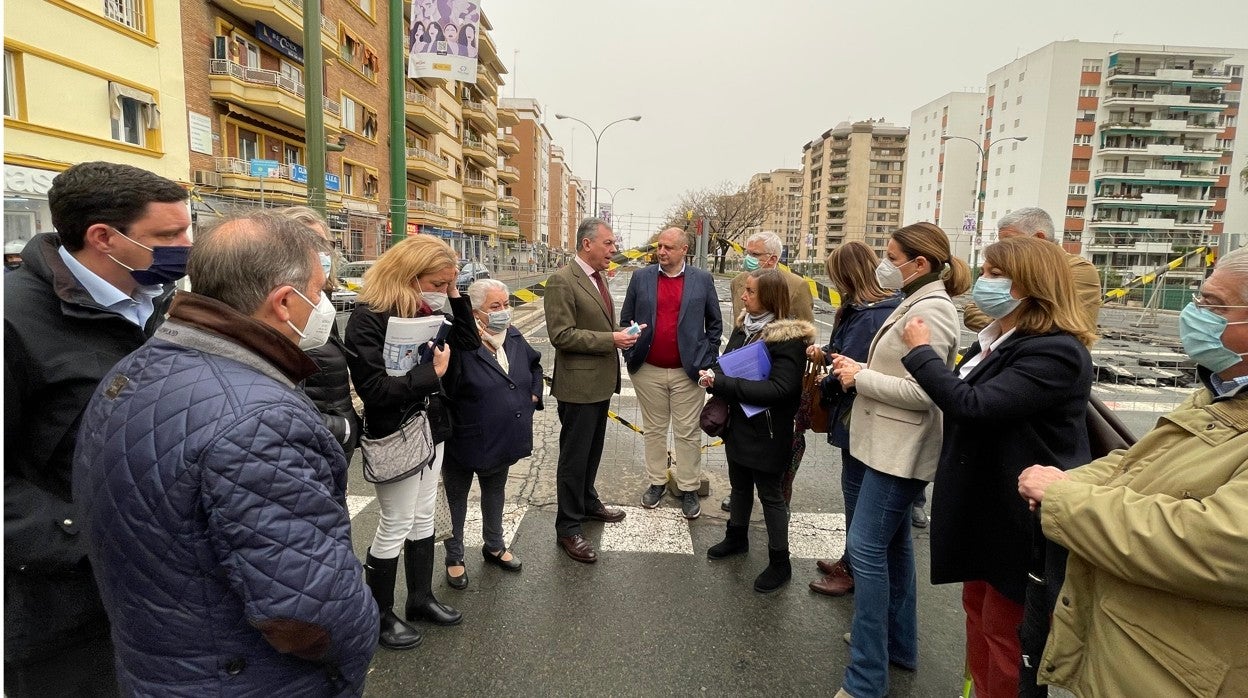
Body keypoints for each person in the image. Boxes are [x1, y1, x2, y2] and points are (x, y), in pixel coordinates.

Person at [71, 211, 378, 695]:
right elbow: (308, 613)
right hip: (246, 677)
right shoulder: (262, 420)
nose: (321, 305)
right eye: (317, 292)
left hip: (161, 664)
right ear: (283, 302)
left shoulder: (135, 368)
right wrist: (360, 636)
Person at [1018, 246, 1248, 697]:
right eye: (1201, 300)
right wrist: (1071, 482)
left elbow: (1219, 544)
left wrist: (1066, 500)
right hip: (1139, 656)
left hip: (1178, 674)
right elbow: (1136, 461)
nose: (1196, 313)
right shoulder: (1222, 391)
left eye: (1215, 306)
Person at [3, 161, 191, 697]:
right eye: (168, 235)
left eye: (187, 229)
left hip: (157, 591)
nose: (186, 246)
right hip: (60, 610)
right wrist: (89, 541)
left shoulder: (158, 305)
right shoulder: (12, 322)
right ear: (103, 238)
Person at [899, 237, 1095, 698]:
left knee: (1008, 640)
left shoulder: (1055, 351)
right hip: (985, 511)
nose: (979, 282)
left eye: (992, 273)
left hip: (1017, 525)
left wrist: (922, 352)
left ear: (1029, 285)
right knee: (980, 621)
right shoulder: (1000, 342)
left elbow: (973, 404)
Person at [830, 222, 969, 698]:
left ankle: (866, 678)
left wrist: (860, 379)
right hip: (885, 445)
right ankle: (898, 646)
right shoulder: (915, 301)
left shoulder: (933, 310)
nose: (883, 265)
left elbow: (926, 390)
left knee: (866, 552)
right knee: (893, 550)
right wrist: (862, 369)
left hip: (900, 451)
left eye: (891, 256)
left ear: (920, 264)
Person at [345, 235, 480, 649]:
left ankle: (420, 598)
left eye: (448, 284)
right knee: (395, 523)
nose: (442, 292)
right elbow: (375, 390)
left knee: (423, 516)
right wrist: (430, 375)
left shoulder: (427, 309)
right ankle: (381, 615)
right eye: (437, 283)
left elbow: (470, 343)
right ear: (408, 275)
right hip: (395, 432)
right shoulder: (368, 317)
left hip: (431, 426)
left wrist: (454, 293)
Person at [700, 269, 814, 593]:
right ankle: (736, 537)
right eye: (745, 291)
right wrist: (712, 375)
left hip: (768, 430)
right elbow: (727, 362)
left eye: (750, 291)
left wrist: (724, 383)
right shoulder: (744, 326)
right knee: (739, 486)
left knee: (771, 495)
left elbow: (781, 389)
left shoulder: (787, 337)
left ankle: (781, 562)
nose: (744, 296)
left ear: (770, 297)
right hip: (739, 424)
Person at [806, 241, 902, 598]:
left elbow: (855, 369)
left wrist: (826, 381)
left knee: (857, 498)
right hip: (860, 421)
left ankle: (854, 569)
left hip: (858, 420)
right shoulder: (870, 308)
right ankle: (851, 559)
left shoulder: (869, 314)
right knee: (857, 494)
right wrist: (827, 352)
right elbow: (848, 352)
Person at [543, 218, 638, 564]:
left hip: (598, 384)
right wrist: (611, 339)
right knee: (574, 457)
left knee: (592, 451)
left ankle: (586, 501)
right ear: (588, 245)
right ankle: (568, 527)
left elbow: (595, 324)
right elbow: (562, 335)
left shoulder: (597, 279)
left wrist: (619, 333)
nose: (614, 250)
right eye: (609, 243)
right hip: (578, 386)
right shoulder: (562, 281)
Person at [441, 279, 543, 588]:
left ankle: (494, 545)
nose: (503, 312)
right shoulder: (460, 341)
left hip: (503, 437)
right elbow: (447, 386)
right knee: (456, 498)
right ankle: (455, 556)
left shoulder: (512, 334)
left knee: (495, 491)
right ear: (475, 313)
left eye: (506, 304)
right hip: (465, 436)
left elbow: (534, 366)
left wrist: (534, 394)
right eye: (495, 307)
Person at [620, 227, 722, 519]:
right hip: (647, 370)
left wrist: (708, 358)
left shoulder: (702, 280)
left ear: (683, 250)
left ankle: (689, 487)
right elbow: (626, 317)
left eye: (668, 247)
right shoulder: (641, 278)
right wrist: (630, 352)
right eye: (659, 246)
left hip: (687, 372)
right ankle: (657, 482)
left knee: (687, 432)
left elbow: (715, 324)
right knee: (654, 430)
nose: (661, 252)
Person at [723, 230, 815, 512]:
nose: (747, 259)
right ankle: (739, 501)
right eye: (746, 253)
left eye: (754, 255)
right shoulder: (740, 282)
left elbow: (804, 333)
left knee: (771, 477)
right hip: (743, 379)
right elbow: (738, 328)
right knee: (739, 460)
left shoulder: (796, 285)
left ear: (772, 258)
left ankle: (777, 499)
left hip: (775, 385)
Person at [284, 206, 360, 498]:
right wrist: (337, 428)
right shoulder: (283, 308)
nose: (322, 253)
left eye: (324, 244)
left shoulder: (322, 300)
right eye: (310, 244)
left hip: (334, 440)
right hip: (313, 445)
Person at [962, 208, 1101, 333]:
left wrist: (1002, 321)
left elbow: (1051, 325)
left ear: (1039, 238)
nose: (1005, 248)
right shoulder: (1013, 267)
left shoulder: (1076, 269)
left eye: (1011, 241)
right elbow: (973, 312)